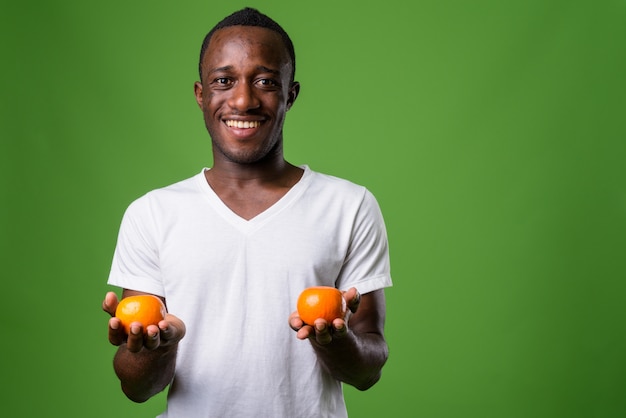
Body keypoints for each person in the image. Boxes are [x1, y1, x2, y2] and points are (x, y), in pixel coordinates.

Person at [102, 7, 392, 418]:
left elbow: (368, 370)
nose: (243, 99)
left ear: (290, 95)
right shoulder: (152, 213)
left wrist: (335, 340)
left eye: (266, 82)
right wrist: (157, 349)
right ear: (202, 95)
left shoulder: (349, 206)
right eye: (224, 81)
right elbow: (137, 388)